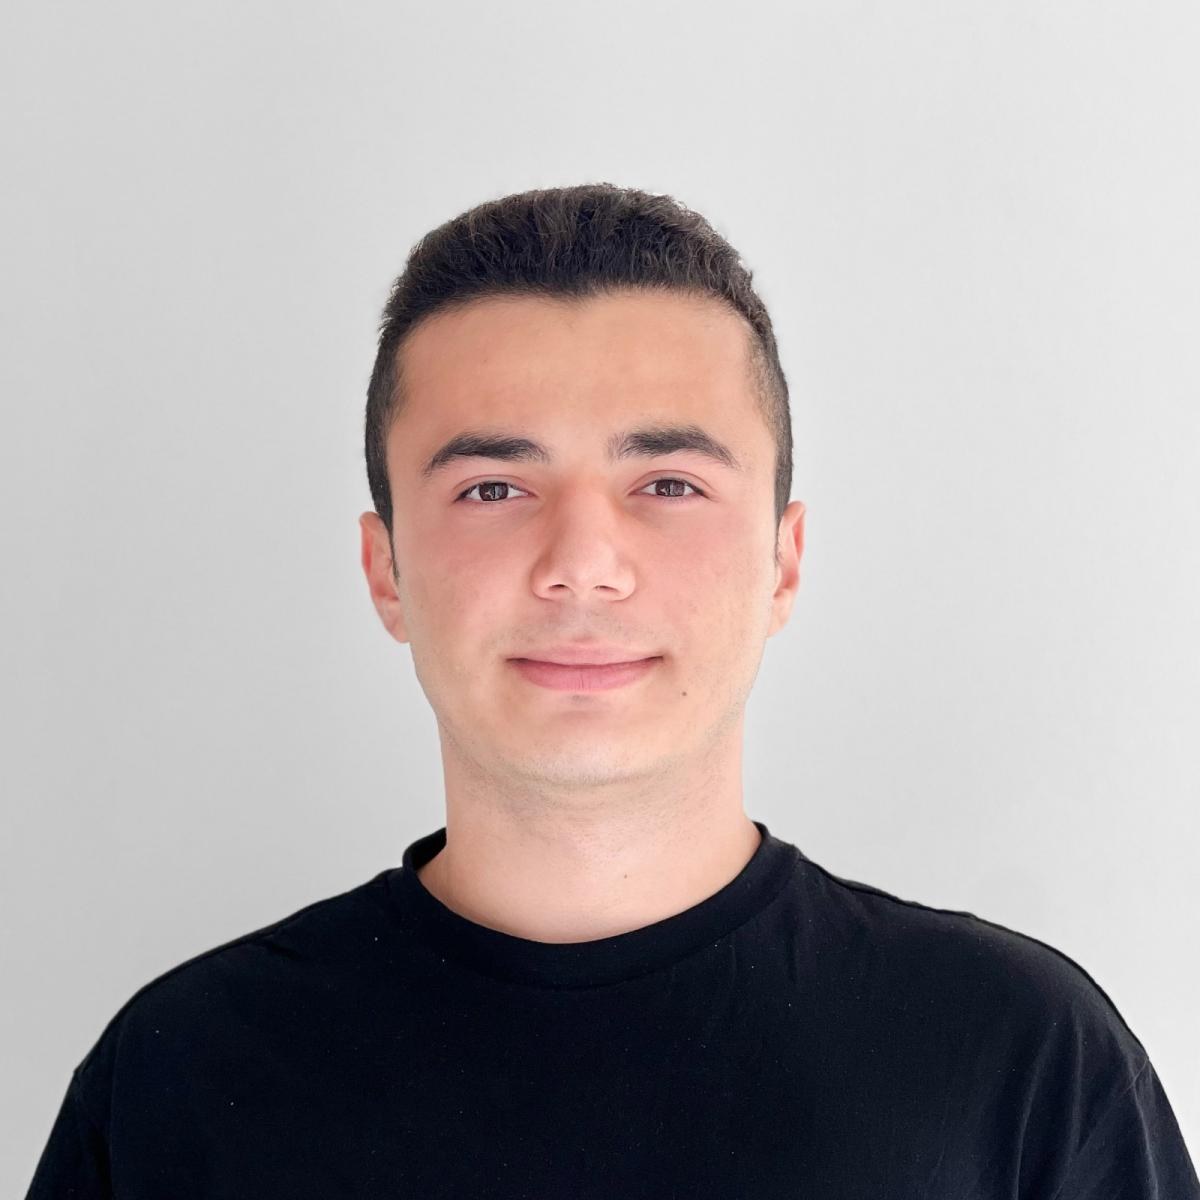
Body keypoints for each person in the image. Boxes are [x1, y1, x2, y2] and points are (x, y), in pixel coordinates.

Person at [24, 182, 1198, 1198]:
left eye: (668, 483)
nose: (582, 562)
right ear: (387, 571)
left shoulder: (1020, 1061)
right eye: (493, 489)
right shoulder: (179, 1078)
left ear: (783, 561)